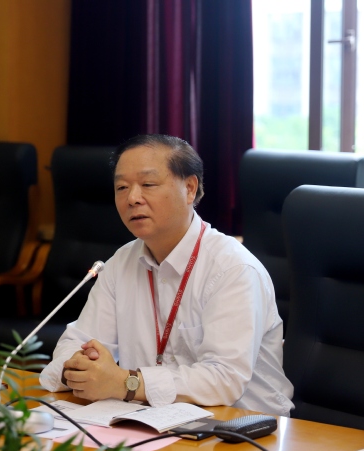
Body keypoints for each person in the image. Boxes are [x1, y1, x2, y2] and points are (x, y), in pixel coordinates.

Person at [39, 134, 294, 417]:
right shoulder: (120, 263)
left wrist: (125, 382)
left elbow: (224, 379)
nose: (132, 198)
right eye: (122, 187)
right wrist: (81, 368)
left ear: (189, 188)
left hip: (244, 428)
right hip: (154, 420)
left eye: (148, 184)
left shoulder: (233, 269)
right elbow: (76, 344)